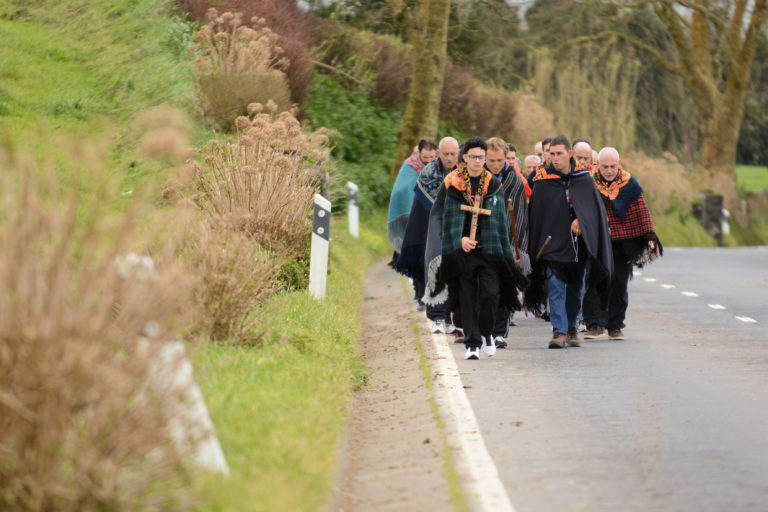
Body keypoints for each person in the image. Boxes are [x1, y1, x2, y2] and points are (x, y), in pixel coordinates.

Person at [423, 137, 527, 359]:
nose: (478, 161)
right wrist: (459, 240)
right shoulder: (452, 183)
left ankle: (488, 333)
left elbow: (500, 221)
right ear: (465, 158)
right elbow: (443, 217)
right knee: (467, 296)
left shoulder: (493, 184)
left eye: (481, 157)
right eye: (473, 157)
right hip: (464, 251)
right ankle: (472, 343)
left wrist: (506, 253)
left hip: (489, 249)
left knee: (490, 295)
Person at [525, 135, 614, 349]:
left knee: (575, 287)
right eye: (552, 154)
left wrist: (581, 221)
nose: (555, 158)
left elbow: (594, 212)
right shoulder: (543, 181)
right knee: (555, 284)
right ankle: (559, 331)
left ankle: (572, 327)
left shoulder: (583, 179)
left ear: (569, 154)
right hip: (552, 243)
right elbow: (536, 214)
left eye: (559, 154)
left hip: (577, 245)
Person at [582, 147, 662, 340]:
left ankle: (615, 325)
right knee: (594, 281)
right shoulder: (588, 182)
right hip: (597, 242)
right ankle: (593, 324)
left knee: (619, 284)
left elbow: (642, 211)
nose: (609, 170)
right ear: (597, 165)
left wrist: (650, 236)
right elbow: (580, 208)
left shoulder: (629, 183)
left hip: (623, 243)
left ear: (619, 163)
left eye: (612, 166)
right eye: (604, 166)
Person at [397, 137, 459, 334]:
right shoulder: (428, 173)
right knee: (435, 269)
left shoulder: (465, 173)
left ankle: (452, 316)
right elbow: (420, 209)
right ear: (439, 154)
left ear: (458, 153)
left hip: (459, 228)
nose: (449, 158)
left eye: (453, 154)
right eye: (446, 154)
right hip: (433, 228)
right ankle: (438, 317)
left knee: (456, 273)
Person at [484, 137, 531, 348]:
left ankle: (500, 332)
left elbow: (519, 218)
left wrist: (517, 249)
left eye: (499, 160)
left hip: (507, 242)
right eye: (491, 160)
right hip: (482, 242)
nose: (495, 165)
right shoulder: (477, 178)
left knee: (504, 286)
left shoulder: (514, 181)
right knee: (486, 289)